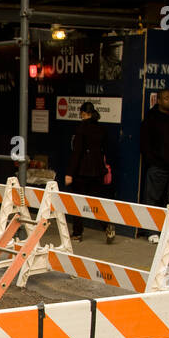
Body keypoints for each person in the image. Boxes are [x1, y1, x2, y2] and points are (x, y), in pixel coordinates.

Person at [64, 101, 115, 243]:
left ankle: (77, 233)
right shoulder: (101, 129)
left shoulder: (81, 129)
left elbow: (77, 153)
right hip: (98, 172)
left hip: (82, 172)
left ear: (83, 114)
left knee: (78, 203)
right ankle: (106, 225)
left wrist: (69, 173)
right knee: (95, 202)